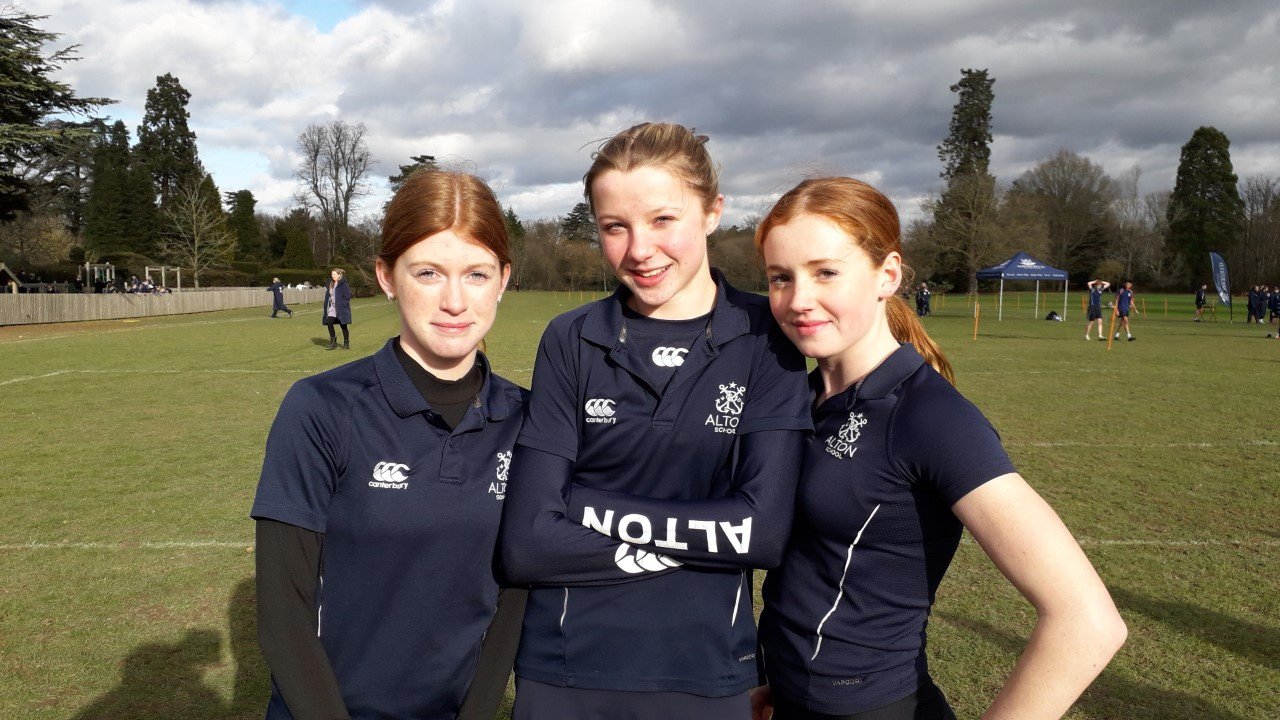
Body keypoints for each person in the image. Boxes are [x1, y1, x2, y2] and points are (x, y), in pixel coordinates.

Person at [750, 177, 1126, 720]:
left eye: (825, 272)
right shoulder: (805, 397)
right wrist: (777, 676)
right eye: (780, 278)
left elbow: (1088, 620)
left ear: (889, 274)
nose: (799, 299)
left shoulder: (930, 417)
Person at [499, 122, 812, 720]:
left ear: (713, 212)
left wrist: (586, 506)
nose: (639, 249)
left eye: (663, 219)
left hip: (708, 672)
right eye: (615, 227)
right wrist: (705, 534)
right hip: (563, 669)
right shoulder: (572, 338)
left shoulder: (765, 338)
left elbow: (764, 531)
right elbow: (528, 544)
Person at [251, 170, 527, 720]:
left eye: (476, 273)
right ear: (387, 276)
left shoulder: (527, 418)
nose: (455, 300)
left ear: (502, 280)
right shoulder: (320, 408)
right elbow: (284, 611)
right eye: (428, 272)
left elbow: (513, 601)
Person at [323, 268, 352, 349]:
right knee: (329, 322)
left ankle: (346, 343)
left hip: (341, 308)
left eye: (334, 274)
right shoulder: (331, 283)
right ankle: (333, 342)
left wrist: (343, 304)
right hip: (332, 307)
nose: (332, 276)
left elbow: (347, 296)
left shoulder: (343, 284)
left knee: (343, 325)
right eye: (332, 274)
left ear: (339, 275)